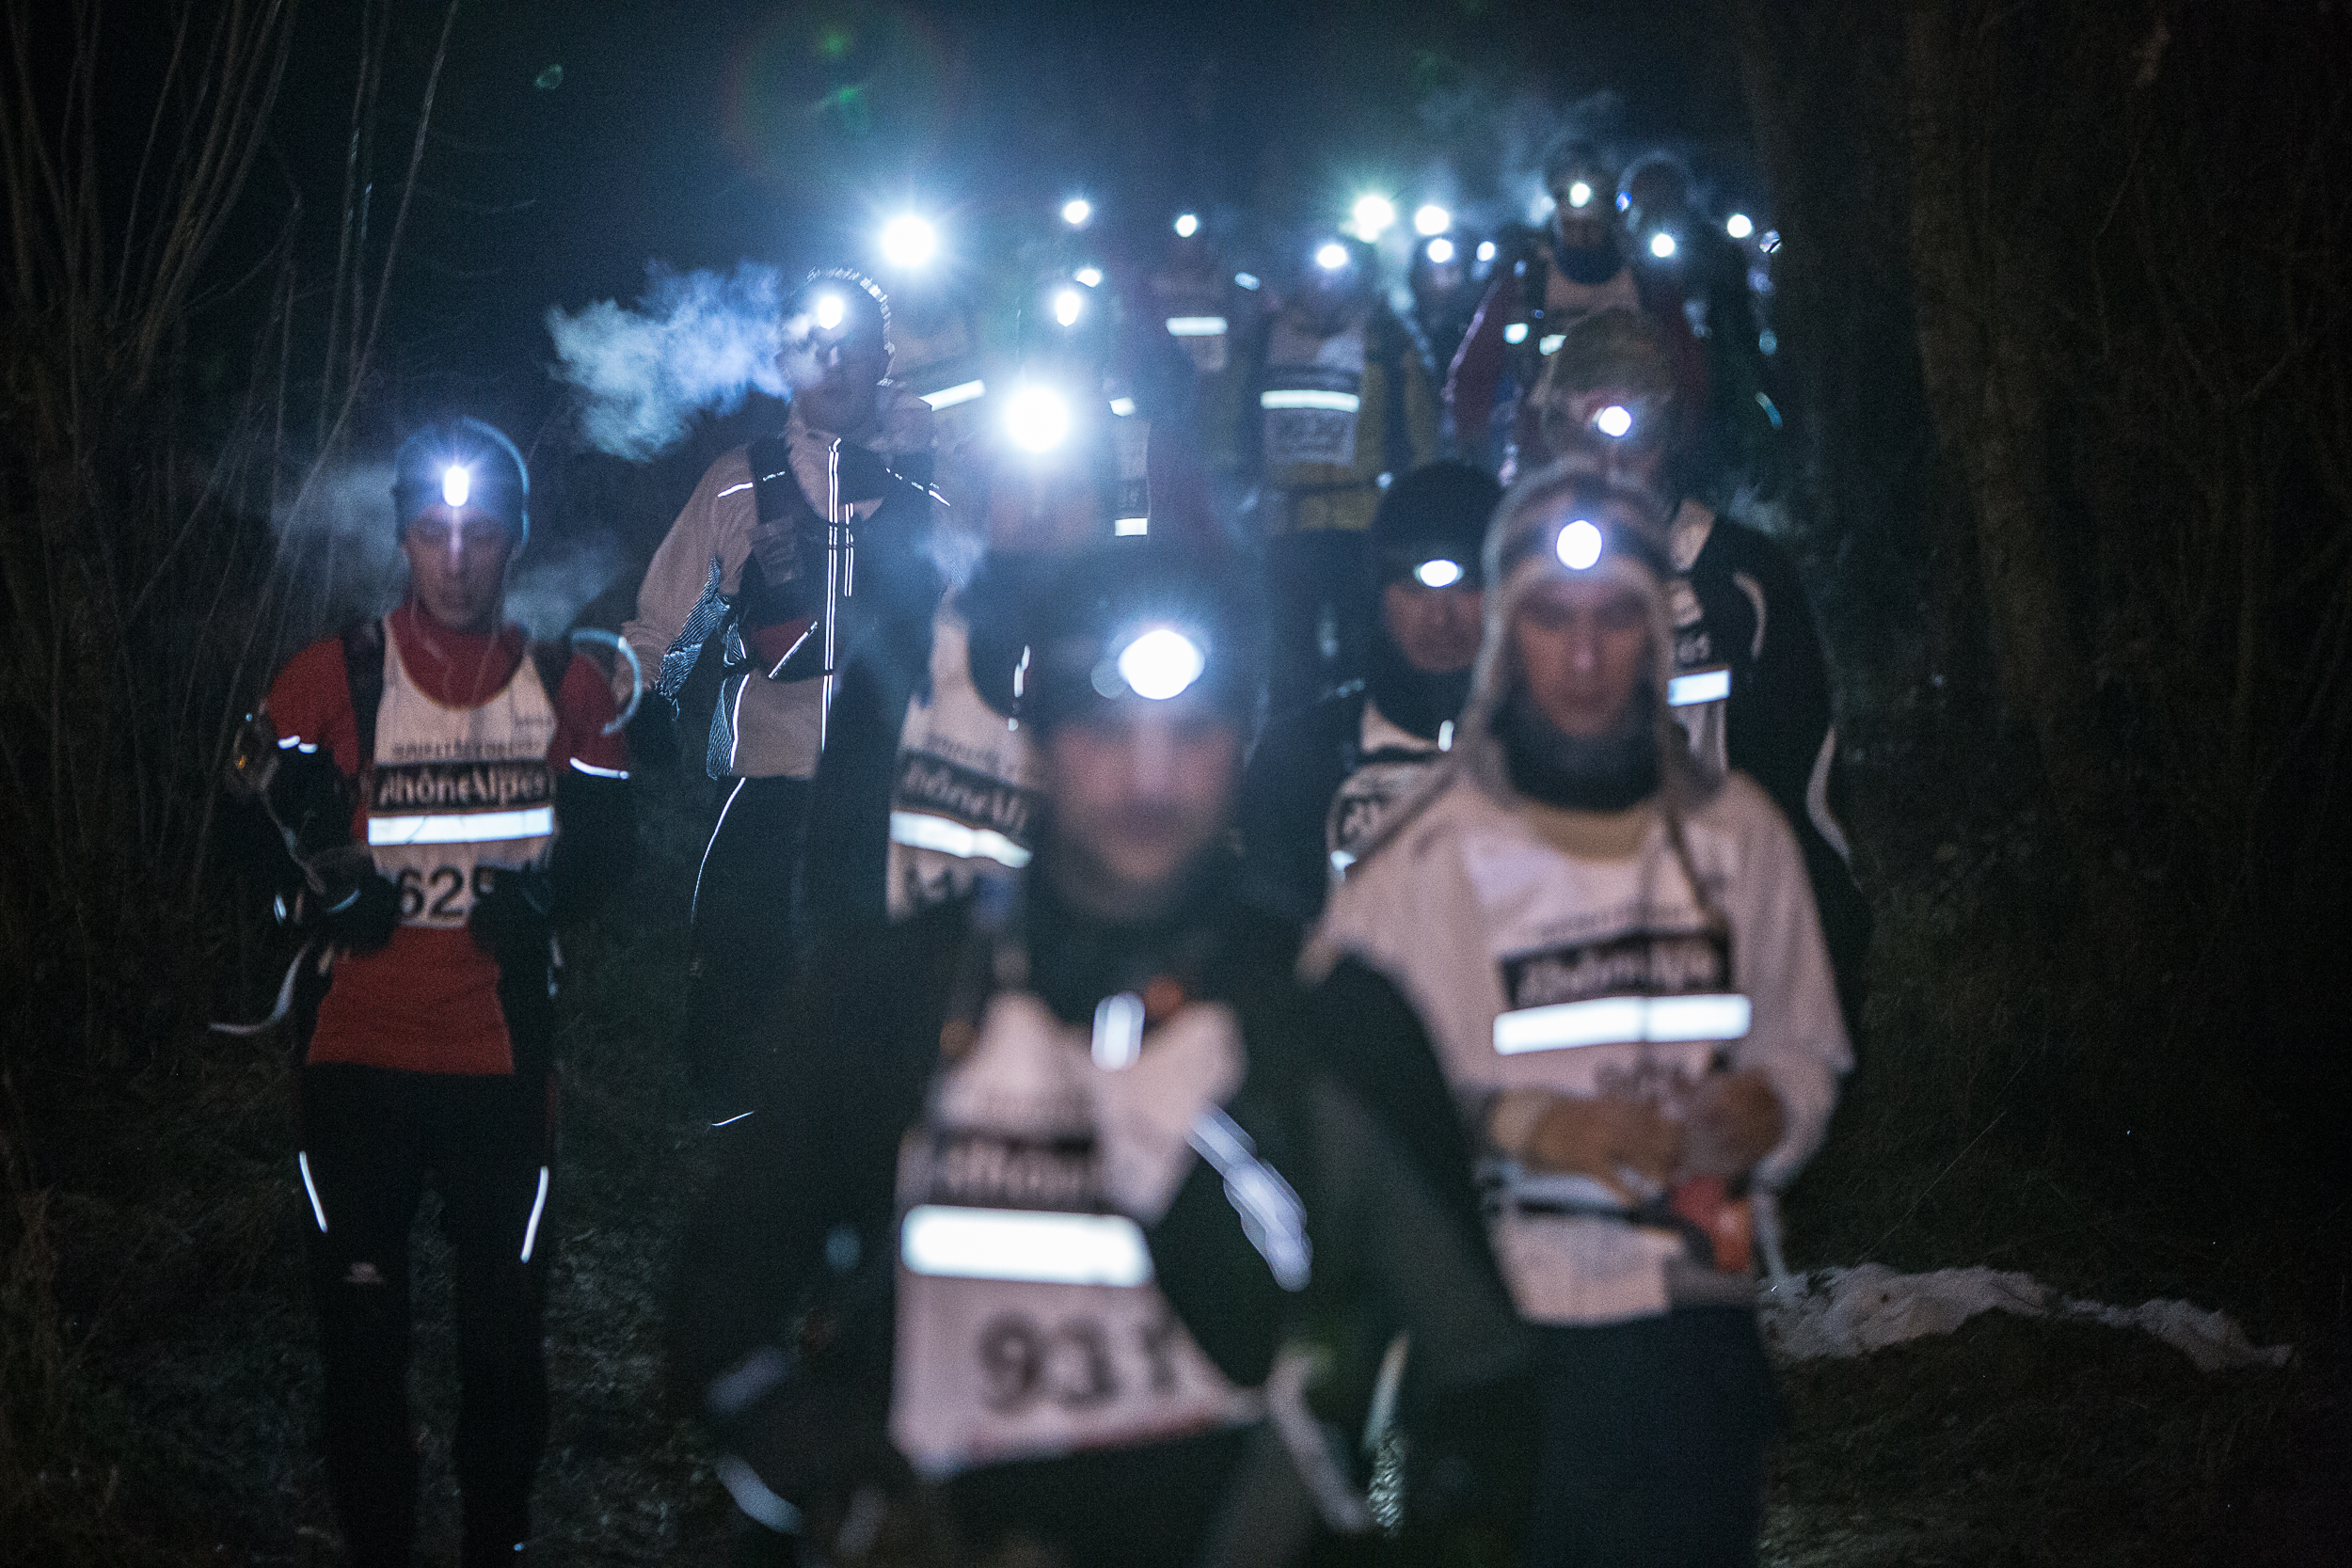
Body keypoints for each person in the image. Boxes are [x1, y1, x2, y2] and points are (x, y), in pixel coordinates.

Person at [673, 542, 1519, 1567]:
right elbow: (719, 1301)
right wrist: (826, 1467)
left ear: (1243, 738)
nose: (1148, 775)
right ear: (1039, 737)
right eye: (1106, 729)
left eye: (1190, 730)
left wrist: (1395, 1520)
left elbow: (1482, 1368)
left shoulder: (1329, 1017)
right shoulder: (892, 991)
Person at [1311, 464, 1851, 1567]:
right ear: (1508, 638)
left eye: (1616, 618)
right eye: (1553, 620)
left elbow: (1804, 1043)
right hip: (1499, 1346)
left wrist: (1770, 1111)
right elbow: (1334, 1090)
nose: (1587, 654)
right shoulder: (1426, 858)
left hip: (1694, 1339)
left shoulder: (1737, 836)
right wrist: (1523, 1126)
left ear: (1657, 633)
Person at [228, 418, 635, 1566]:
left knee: (502, 1345)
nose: (456, 561)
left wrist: (547, 902)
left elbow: (614, 846)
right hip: (356, 1060)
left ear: (516, 540)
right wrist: (322, 892)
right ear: (401, 539)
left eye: (482, 534)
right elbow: (240, 823)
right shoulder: (334, 674)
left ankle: (493, 1540)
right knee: (363, 1345)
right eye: (432, 534)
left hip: (499, 1064)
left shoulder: (568, 684)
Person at [621, 269, 938, 1120]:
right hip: (768, 779)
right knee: (738, 975)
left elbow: (1002, 615)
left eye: (853, 347)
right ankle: (737, 1143)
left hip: (906, 791)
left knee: (890, 994)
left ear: (884, 359)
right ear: (787, 362)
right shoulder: (740, 481)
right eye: (815, 348)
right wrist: (644, 699)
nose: (834, 365)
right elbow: (666, 623)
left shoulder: (938, 478)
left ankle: (884, 1145)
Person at [1534, 309, 1871, 1023]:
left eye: (1632, 433)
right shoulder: (1514, 585)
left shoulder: (1742, 577)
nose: (1609, 463)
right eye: (1583, 434)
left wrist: (1824, 954)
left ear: (1670, 434)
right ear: (1553, 439)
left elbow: (1809, 782)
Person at [1238, 460, 1498, 920]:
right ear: (1378, 593)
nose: (1440, 617)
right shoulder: (1301, 756)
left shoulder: (1556, 752)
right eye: (1414, 589)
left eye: (1467, 588)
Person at [1232, 231, 1440, 705]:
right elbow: (1229, 415)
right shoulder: (1264, 339)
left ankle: (1359, 733)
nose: (1324, 285)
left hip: (1363, 520)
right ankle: (1293, 739)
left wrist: (1418, 500)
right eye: (1315, 273)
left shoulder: (1387, 338)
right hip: (1286, 521)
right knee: (1291, 655)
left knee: (1363, 645)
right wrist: (1232, 486)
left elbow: (1419, 423)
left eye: (1335, 275)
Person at [1446, 140, 1704, 481]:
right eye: (1571, 224)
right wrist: (1475, 453)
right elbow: (1473, 374)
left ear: (1610, 216)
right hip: (1544, 456)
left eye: (1592, 224)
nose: (1582, 234)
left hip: (1635, 456)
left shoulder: (1648, 285)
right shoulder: (1525, 284)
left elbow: (1688, 371)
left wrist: (1682, 446)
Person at [1617, 152, 1786, 499]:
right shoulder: (1624, 248)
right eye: (1648, 197)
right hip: (1648, 351)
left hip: (1712, 341)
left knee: (1743, 385)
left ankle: (1761, 458)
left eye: (1664, 195)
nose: (1657, 205)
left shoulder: (1709, 240)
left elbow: (1732, 297)